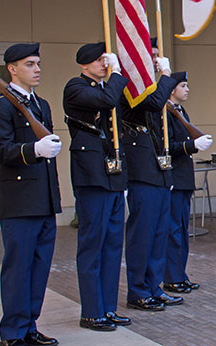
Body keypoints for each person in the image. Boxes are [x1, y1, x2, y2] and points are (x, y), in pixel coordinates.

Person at [0, 43, 62, 346]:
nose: (37, 69)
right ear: (12, 69)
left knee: (39, 269)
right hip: (19, 203)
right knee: (18, 270)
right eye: (30, 64)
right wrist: (34, 150)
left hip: (43, 200)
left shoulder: (40, 104)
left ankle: (29, 325)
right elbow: (2, 151)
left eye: (38, 63)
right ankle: (13, 333)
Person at [63, 42, 131, 331]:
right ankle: (91, 311)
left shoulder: (105, 88)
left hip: (113, 175)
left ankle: (107, 307)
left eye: (107, 60)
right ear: (84, 64)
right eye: (99, 60)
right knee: (93, 245)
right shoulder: (75, 87)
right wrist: (116, 75)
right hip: (92, 175)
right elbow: (105, 100)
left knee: (113, 246)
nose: (105, 64)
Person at [122, 37, 183, 311]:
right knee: (143, 235)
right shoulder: (131, 88)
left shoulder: (151, 88)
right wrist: (166, 75)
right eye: (151, 56)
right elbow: (154, 102)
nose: (155, 61)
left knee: (159, 234)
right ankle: (137, 290)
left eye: (157, 56)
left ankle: (154, 287)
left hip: (158, 169)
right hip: (141, 170)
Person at [163, 72, 213, 294]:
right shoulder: (165, 112)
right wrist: (192, 145)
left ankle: (180, 275)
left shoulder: (180, 111)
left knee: (182, 230)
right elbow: (168, 146)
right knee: (173, 230)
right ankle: (171, 277)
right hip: (174, 177)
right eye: (183, 86)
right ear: (172, 89)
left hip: (183, 177)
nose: (187, 89)